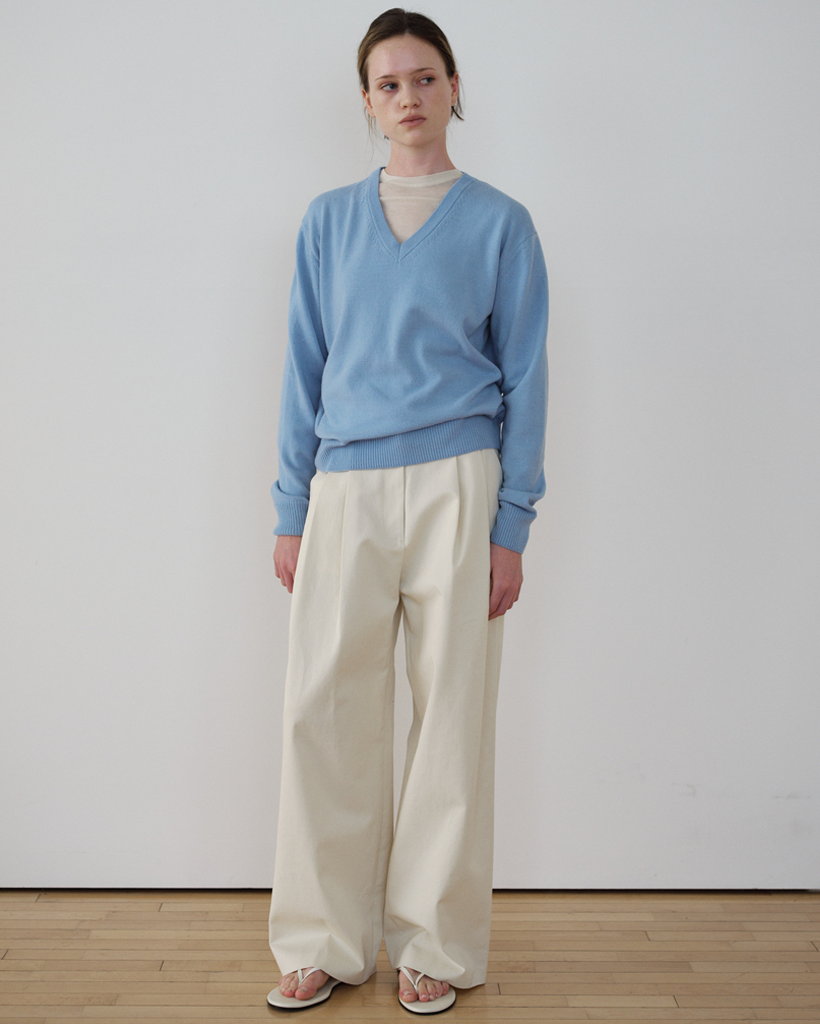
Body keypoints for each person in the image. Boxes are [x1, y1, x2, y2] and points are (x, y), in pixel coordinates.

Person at [265, 7, 548, 1015]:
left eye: (425, 77)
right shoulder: (327, 223)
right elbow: (303, 369)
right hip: (345, 487)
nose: (409, 96)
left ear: (453, 87)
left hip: (458, 485)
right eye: (389, 83)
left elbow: (527, 380)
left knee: (451, 720)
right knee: (324, 714)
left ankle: (433, 943)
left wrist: (511, 525)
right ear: (367, 102)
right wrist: (291, 506)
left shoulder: (501, 223)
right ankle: (323, 941)